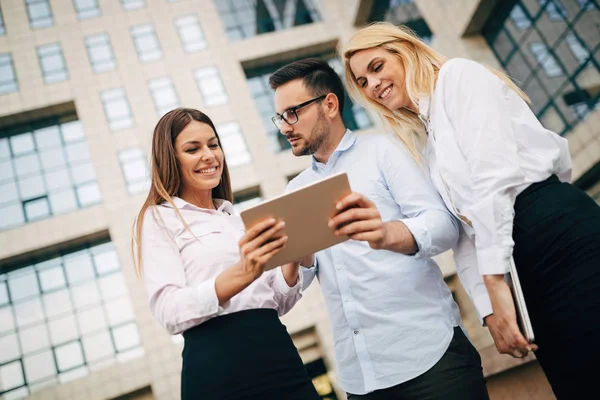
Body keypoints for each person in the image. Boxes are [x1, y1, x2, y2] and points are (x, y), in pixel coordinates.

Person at [341, 21, 600, 399]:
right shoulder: (427, 144)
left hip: (557, 232)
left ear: (405, 52)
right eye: (361, 83)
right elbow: (464, 233)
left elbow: (495, 179)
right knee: (575, 381)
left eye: (376, 67)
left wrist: (494, 282)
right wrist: (489, 309)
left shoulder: (458, 77)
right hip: (518, 262)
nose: (372, 85)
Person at [269, 58, 490, 399]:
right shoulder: (294, 192)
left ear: (329, 104)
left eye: (292, 113)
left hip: (431, 359)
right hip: (362, 380)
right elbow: (288, 292)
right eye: (280, 117)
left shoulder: (384, 151)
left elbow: (444, 225)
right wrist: (296, 258)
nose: (284, 127)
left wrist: (385, 234)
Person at [131, 108, 320, 400]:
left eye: (213, 144)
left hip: (278, 354)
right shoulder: (160, 218)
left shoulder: (237, 218)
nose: (209, 155)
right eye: (193, 149)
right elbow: (169, 310)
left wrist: (297, 253)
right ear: (170, 159)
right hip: (219, 366)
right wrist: (242, 273)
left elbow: (277, 301)